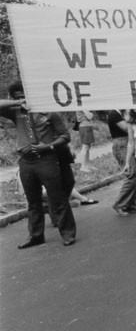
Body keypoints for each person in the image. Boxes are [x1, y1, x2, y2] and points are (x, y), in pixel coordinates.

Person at [1, 81, 77, 248]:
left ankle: (68, 233)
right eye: (18, 97)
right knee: (33, 201)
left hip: (46, 159)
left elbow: (65, 136)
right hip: (26, 162)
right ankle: (35, 235)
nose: (22, 100)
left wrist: (48, 146)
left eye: (24, 96)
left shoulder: (49, 113)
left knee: (58, 198)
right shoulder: (16, 113)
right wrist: (18, 103)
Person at [107, 109, 136, 216]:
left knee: (134, 175)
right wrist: (129, 114)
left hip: (129, 142)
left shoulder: (122, 112)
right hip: (121, 144)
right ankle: (119, 204)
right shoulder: (114, 113)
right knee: (131, 174)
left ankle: (130, 204)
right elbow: (126, 128)